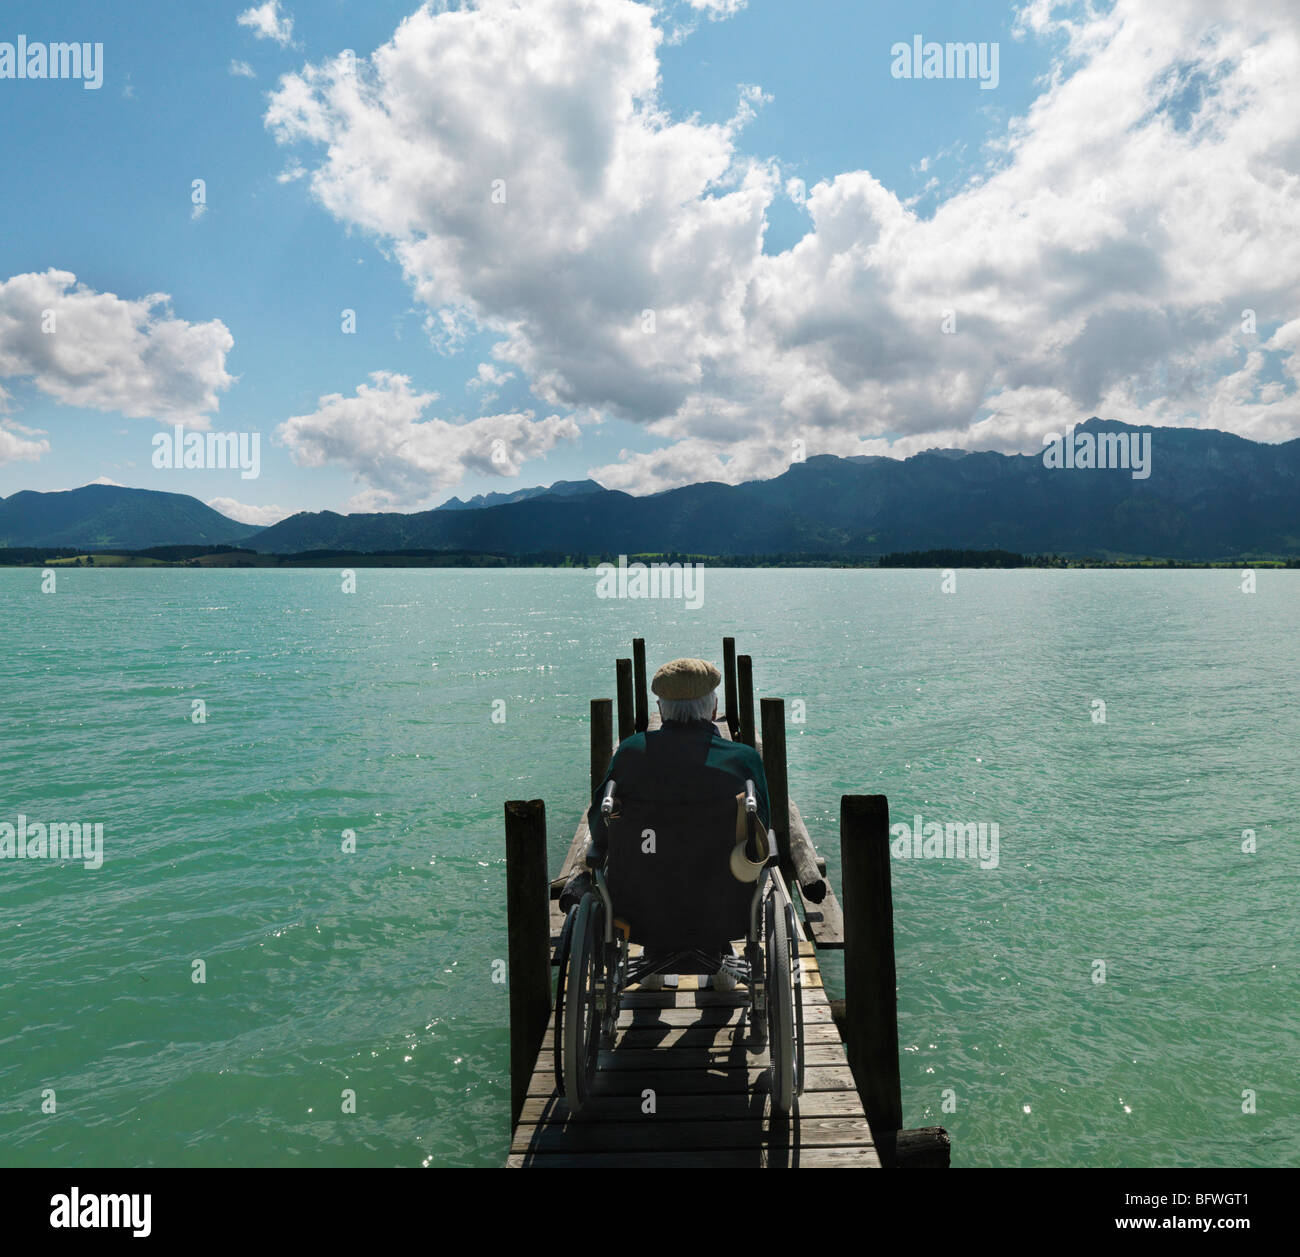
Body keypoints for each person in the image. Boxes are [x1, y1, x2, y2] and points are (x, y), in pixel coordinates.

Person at [560, 656, 771, 991]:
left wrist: (597, 853)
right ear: (713, 708)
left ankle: (654, 967)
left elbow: (601, 826)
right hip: (724, 909)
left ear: (662, 707)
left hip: (642, 910)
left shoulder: (630, 755)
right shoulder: (742, 760)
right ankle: (717, 966)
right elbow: (761, 833)